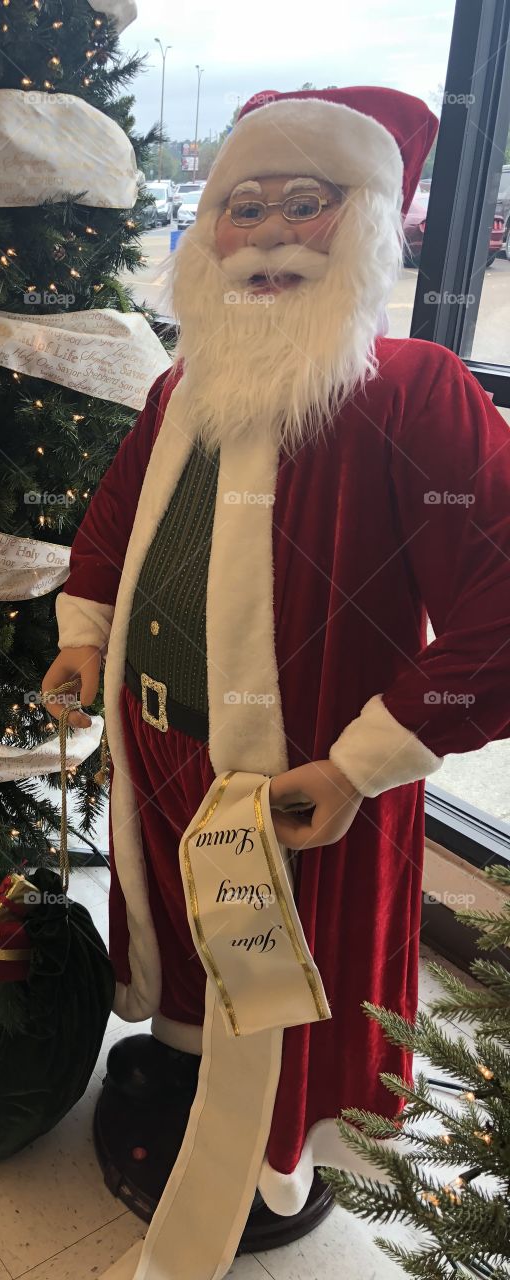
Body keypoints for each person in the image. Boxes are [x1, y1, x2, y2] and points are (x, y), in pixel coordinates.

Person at [42, 85, 510, 1277]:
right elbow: (113, 519)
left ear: (362, 225)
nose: (267, 233)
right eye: (243, 207)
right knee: (200, 947)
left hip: (305, 777)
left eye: (306, 204)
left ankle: (272, 1162)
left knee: (297, 973)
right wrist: (87, 635)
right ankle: (197, 1076)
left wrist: (367, 761)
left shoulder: (414, 391)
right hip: (157, 743)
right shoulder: (178, 387)